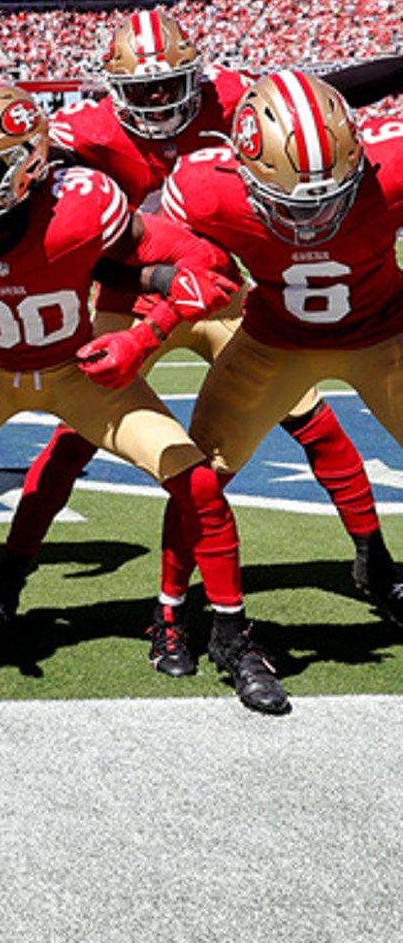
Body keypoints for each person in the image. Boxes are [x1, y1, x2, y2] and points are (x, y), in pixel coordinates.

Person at [0, 81, 278, 712]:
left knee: (195, 481)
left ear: (27, 169)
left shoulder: (80, 205)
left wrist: (144, 338)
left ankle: (230, 634)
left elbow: (207, 267)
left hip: (74, 369)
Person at [4, 12, 382, 582]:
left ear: (195, 74)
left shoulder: (229, 95)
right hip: (133, 291)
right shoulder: (86, 130)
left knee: (313, 421)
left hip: (219, 291)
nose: (157, 99)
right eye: (141, 88)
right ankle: (9, 579)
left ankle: (374, 559)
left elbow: (324, 91)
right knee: (75, 437)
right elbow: (47, 208)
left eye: (169, 83)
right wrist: (156, 280)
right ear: (114, 89)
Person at [163, 72, 403, 644]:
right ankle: (169, 607)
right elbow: (163, 254)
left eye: (330, 198)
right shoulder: (205, 187)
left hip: (386, 336)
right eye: (289, 202)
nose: (311, 219)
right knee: (201, 473)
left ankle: (374, 561)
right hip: (275, 342)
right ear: (242, 170)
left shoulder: (390, 166)